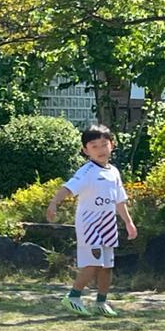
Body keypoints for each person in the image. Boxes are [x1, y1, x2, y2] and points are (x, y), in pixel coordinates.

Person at [46, 124, 137, 317]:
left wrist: (128, 222)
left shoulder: (113, 172)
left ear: (112, 145)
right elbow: (67, 188)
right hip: (90, 225)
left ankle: (101, 302)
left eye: (104, 145)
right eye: (94, 146)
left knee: (107, 265)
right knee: (93, 263)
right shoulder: (86, 172)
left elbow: (119, 200)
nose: (101, 150)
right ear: (85, 150)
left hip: (108, 225)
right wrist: (54, 203)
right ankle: (73, 297)